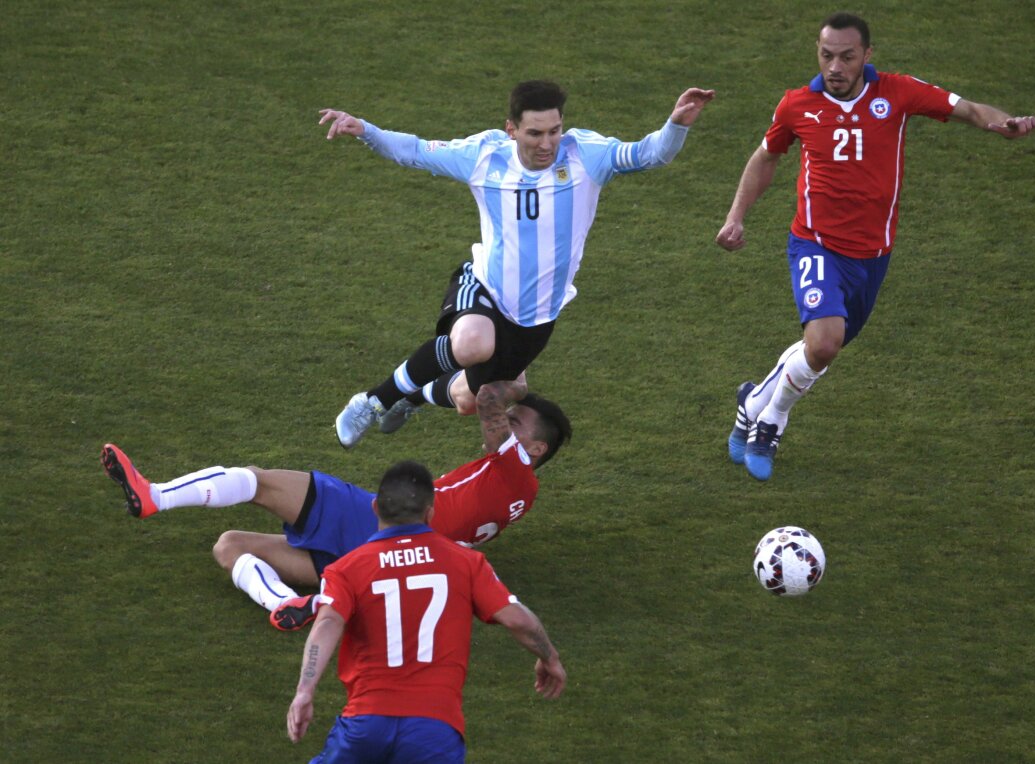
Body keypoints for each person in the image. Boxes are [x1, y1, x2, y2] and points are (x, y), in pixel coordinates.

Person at [715, 12, 1035, 481]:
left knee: (822, 348)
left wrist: (1000, 123)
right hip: (815, 244)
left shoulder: (897, 92)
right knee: (824, 344)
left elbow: (966, 107)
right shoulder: (797, 105)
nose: (835, 67)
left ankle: (753, 401)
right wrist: (735, 217)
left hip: (872, 256)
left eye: (847, 57)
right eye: (827, 56)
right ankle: (772, 420)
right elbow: (767, 157)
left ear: (867, 56)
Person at [321, 79, 715, 448]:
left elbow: (650, 153)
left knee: (468, 398)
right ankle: (371, 402)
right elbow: (416, 151)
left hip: (537, 317)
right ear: (511, 129)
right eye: (535, 133)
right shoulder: (485, 157)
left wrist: (675, 125)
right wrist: (367, 131)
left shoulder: (586, 156)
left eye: (554, 130)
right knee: (472, 343)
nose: (547, 143)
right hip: (485, 287)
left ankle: (414, 397)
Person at [100, 380, 570, 630]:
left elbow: (488, 397)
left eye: (517, 422)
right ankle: (289, 603)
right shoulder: (513, 489)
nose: (505, 424)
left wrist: (512, 379)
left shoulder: (516, 473)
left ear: (537, 449)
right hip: (383, 563)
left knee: (258, 482)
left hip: (375, 524)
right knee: (231, 545)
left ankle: (154, 496)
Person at [285, 460, 566, 763]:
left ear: (376, 508)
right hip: (435, 729)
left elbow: (327, 621)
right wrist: (549, 657)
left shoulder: (346, 568)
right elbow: (517, 618)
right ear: (430, 513)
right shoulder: (467, 563)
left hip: (366, 723)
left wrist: (305, 690)